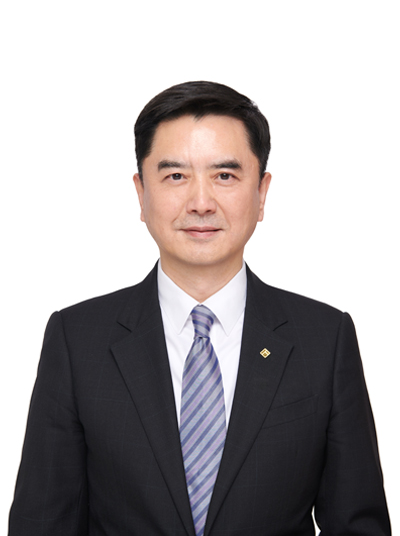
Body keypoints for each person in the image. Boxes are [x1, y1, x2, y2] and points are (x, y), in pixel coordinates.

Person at [9, 81, 391, 536]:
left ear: (262, 193)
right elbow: (43, 523)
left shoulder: (324, 340)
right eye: (176, 176)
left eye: (224, 176)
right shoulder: (77, 340)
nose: (201, 203)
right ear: (141, 194)